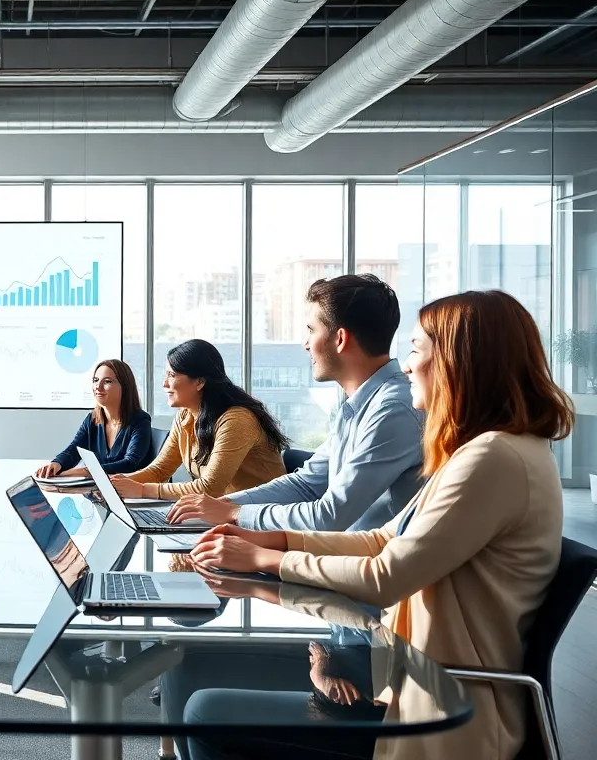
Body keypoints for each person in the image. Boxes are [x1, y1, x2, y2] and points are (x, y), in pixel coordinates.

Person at [189, 290, 574, 760]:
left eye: (416, 350)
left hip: (438, 713)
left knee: (206, 712)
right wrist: (269, 538)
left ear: (459, 362)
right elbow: (385, 538)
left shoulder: (493, 459)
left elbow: (386, 576)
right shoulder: (487, 451)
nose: (407, 365)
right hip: (410, 677)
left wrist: (264, 559)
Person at [165, 275, 424, 530]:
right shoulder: (360, 406)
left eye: (311, 330)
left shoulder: (393, 409)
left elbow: (330, 515)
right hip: (339, 556)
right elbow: (306, 484)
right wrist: (220, 504)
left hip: (365, 564)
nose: (306, 344)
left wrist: (234, 512)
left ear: (340, 339)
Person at [110, 339, 287, 501]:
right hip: (225, 513)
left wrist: (141, 490)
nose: (165, 384)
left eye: (171, 375)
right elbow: (159, 470)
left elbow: (210, 488)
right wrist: (110, 484)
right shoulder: (185, 415)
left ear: (199, 382)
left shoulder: (236, 420)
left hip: (264, 517)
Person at [35, 359, 154, 478]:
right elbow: (74, 449)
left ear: (125, 388)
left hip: (130, 493)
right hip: (98, 491)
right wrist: (57, 463)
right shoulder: (92, 419)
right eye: (95, 380)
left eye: (107, 381)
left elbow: (129, 464)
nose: (98, 387)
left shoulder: (140, 420)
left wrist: (83, 472)